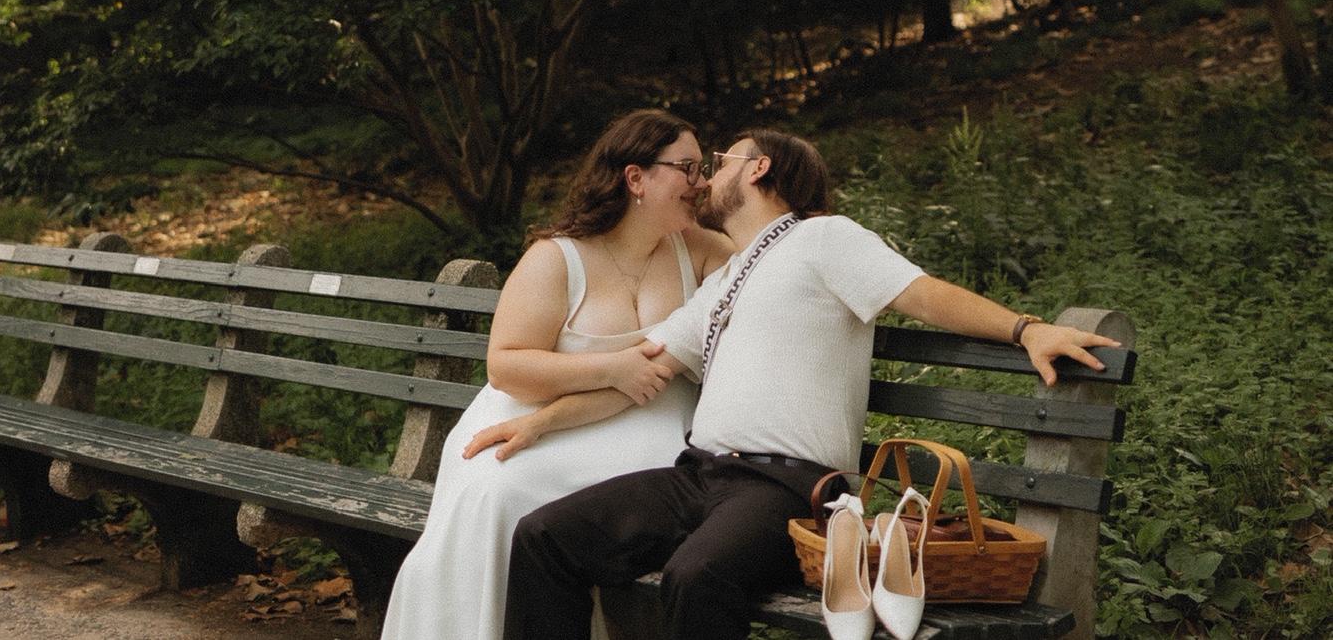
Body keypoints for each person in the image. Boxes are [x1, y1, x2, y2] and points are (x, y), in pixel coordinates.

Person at [470, 129, 1121, 640]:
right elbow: (643, 368)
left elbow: (921, 294)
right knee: (544, 537)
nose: (707, 177)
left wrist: (1025, 329)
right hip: (699, 476)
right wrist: (540, 421)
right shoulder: (728, 279)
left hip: (789, 489)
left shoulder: (825, 239)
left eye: (721, 161)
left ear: (759, 169)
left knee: (696, 577)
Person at [379, 109, 732, 640]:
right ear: (636, 178)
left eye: (702, 168)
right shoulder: (557, 257)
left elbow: (765, 269)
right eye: (687, 168)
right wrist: (612, 367)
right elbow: (506, 365)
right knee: (497, 492)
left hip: (653, 438)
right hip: (538, 419)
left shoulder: (701, 251)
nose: (700, 182)